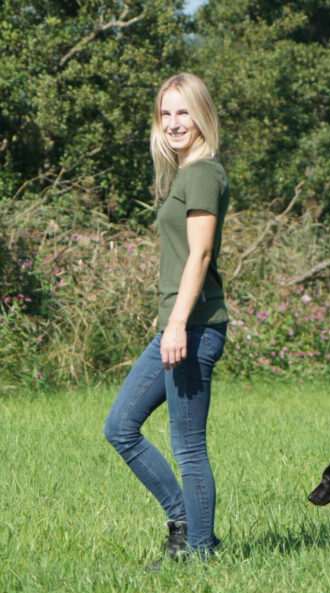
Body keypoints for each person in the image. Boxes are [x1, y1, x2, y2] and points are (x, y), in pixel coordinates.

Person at [104, 73, 229, 565]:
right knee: (121, 426)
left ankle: (198, 550)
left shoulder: (201, 173)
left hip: (193, 327)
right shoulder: (186, 173)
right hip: (180, 325)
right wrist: (168, 322)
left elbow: (199, 256)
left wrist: (176, 324)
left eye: (184, 112)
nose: (175, 123)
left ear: (202, 115)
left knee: (188, 446)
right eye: (166, 113)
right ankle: (185, 523)